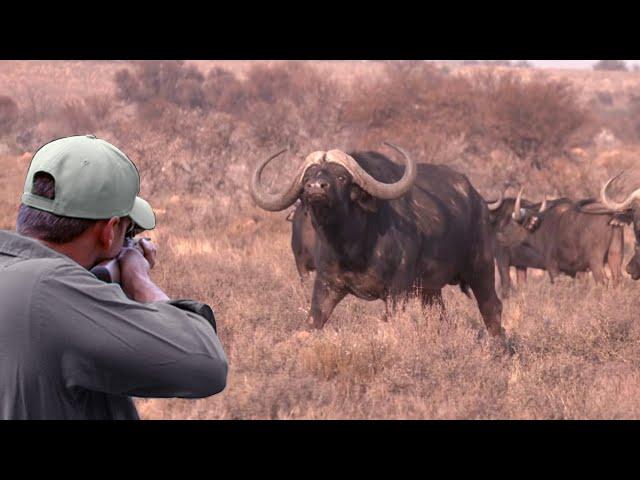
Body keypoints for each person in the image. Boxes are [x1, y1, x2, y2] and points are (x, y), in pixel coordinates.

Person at [0, 134, 228, 420]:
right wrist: (138, 279)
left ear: (24, 211)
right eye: (127, 232)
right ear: (109, 232)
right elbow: (205, 364)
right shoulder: (51, 292)